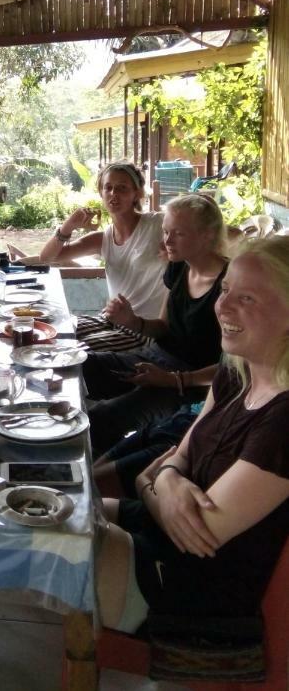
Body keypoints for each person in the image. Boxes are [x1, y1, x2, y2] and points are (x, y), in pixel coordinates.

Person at [96, 236, 289, 633]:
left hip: (193, 592)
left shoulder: (283, 421)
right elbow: (175, 459)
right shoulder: (236, 374)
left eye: (247, 298)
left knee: (44, 542)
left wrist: (157, 479)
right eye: (225, 290)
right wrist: (165, 480)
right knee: (49, 511)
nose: (222, 306)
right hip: (160, 539)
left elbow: (197, 533)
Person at [83, 193, 228, 454]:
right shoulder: (179, 267)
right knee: (81, 366)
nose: (167, 241)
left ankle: (97, 480)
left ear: (207, 235)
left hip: (193, 386)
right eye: (165, 231)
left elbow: (236, 366)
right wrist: (132, 321)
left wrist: (175, 380)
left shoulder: (230, 287)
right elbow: (162, 327)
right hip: (155, 358)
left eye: (178, 233)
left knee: (101, 420)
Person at [39, 161, 166, 350]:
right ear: (101, 193)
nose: (114, 194)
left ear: (137, 193)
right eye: (108, 188)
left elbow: (204, 226)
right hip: (109, 319)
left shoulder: (158, 224)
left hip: (143, 329)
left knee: (73, 350)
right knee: (51, 332)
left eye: (122, 188)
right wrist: (69, 225)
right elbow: (48, 257)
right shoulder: (103, 238)